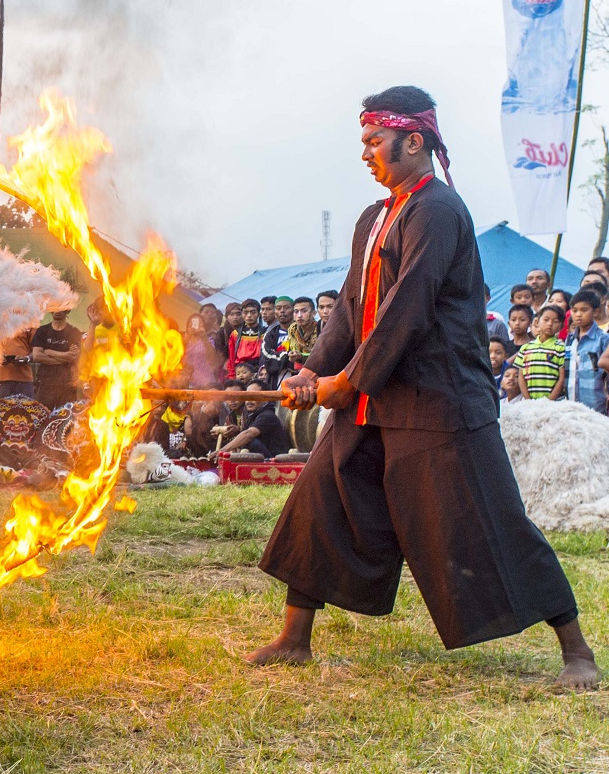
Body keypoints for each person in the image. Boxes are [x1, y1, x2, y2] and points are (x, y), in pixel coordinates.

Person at [252, 87, 597, 690]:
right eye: (363, 142)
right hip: (375, 399)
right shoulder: (375, 217)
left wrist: (345, 382)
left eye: (374, 141)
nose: (365, 153)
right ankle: (294, 638)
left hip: (440, 401)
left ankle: (577, 651)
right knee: (322, 500)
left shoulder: (438, 211)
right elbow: (352, 307)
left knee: (486, 520)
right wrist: (313, 370)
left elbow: (407, 309)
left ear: (413, 142)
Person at [216, 381, 291, 458]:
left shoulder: (267, 415)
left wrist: (223, 450)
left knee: (248, 440)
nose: (249, 401)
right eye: (247, 397)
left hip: (274, 460)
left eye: (254, 397)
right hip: (263, 458)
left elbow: (249, 434)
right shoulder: (251, 416)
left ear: (266, 399)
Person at [30, 308, 83, 411]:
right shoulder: (42, 331)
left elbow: (74, 357)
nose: (58, 311)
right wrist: (65, 357)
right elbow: (37, 356)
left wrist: (50, 352)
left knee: (67, 417)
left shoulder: (74, 332)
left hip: (67, 383)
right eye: (55, 308)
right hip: (45, 382)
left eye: (61, 308)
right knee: (42, 415)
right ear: (51, 310)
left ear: (67, 310)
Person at [565, 290, 609, 413]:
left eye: (584, 310)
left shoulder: (603, 339)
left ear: (595, 311)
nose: (578, 314)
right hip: (571, 401)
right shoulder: (570, 339)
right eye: (574, 310)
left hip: (597, 401)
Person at [513, 306, 567, 401]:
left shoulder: (561, 348)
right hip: (530, 402)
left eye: (555, 321)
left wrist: (549, 401)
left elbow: (561, 378)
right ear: (537, 322)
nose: (550, 324)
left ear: (561, 326)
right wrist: (528, 400)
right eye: (546, 320)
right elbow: (521, 376)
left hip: (554, 402)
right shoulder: (526, 348)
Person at [0, 326, 36, 401]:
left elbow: (37, 351)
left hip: (23, 379)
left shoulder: (30, 322)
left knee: (25, 407)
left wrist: (27, 358)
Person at [259, 296, 294, 387]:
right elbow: (267, 358)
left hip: (297, 379)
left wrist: (277, 355)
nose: (282, 311)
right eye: (278, 308)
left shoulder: (300, 332)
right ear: (275, 313)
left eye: (286, 307)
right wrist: (288, 356)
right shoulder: (270, 335)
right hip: (274, 382)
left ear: (293, 310)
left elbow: (301, 357)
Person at [226, 299, 264, 378]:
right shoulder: (235, 334)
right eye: (246, 312)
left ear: (259, 314)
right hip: (240, 372)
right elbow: (232, 358)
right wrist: (232, 376)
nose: (249, 315)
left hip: (258, 371)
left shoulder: (265, 333)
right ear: (242, 314)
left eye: (253, 312)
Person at [286, 296, 321, 370]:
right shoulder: (293, 329)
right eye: (296, 312)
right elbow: (293, 349)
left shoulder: (320, 328)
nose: (299, 316)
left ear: (314, 313)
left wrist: (301, 356)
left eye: (304, 311)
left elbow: (320, 355)